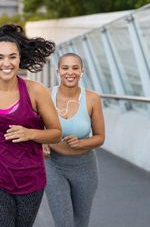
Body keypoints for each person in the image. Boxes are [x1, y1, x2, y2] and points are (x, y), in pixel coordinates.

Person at [0, 24, 62, 227]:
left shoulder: (36, 91)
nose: (6, 63)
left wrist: (30, 133)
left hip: (30, 179)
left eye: (12, 57)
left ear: (19, 59)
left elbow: (56, 133)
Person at [43, 53, 105, 227]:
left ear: (82, 71)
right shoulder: (46, 96)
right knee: (63, 222)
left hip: (85, 167)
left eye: (75, 68)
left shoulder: (92, 99)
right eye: (65, 68)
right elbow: (36, 127)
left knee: (80, 222)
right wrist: (43, 142)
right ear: (58, 71)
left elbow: (100, 137)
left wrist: (81, 143)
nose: (70, 72)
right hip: (53, 165)